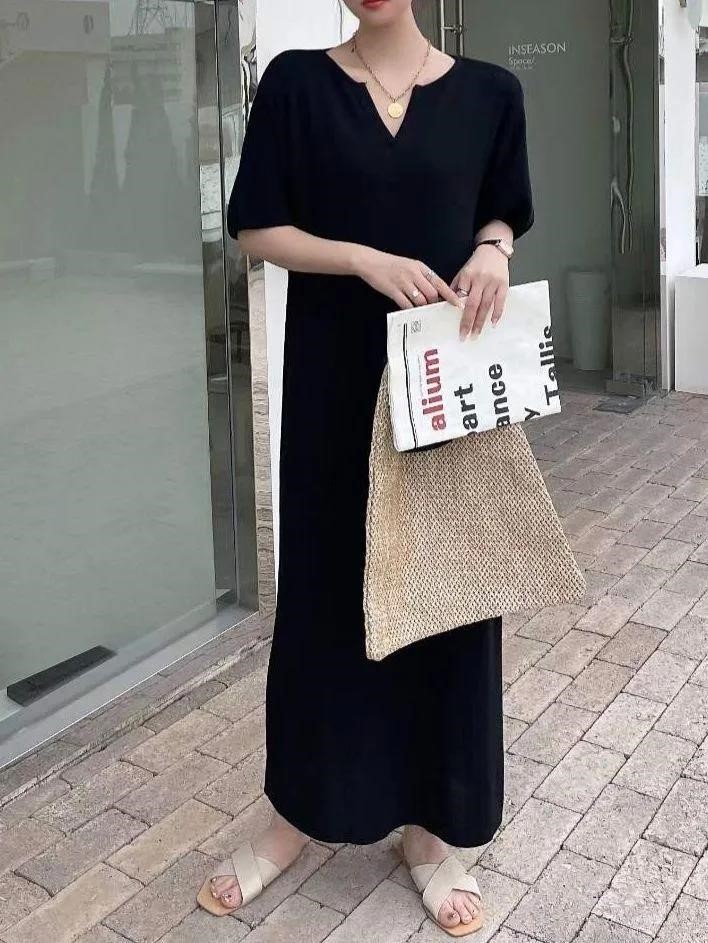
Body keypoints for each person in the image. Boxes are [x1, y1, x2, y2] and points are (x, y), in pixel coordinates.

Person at [197, 0, 534, 935]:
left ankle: (432, 830)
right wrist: (359, 259)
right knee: (323, 601)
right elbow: (256, 227)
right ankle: (294, 817)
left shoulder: (490, 94)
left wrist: (494, 250)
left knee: (445, 600)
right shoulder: (298, 84)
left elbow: (503, 208)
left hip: (441, 392)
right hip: (333, 394)